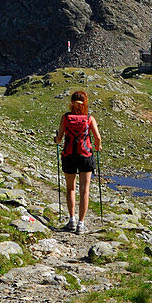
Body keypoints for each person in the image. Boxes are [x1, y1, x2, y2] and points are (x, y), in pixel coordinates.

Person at [54, 89, 101, 234]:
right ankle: (81, 224)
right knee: (84, 190)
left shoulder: (65, 118)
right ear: (85, 103)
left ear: (71, 103)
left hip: (69, 155)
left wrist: (56, 140)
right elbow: (98, 138)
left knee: (71, 189)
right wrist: (98, 148)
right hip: (85, 155)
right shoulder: (89, 118)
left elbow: (60, 138)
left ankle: (71, 220)